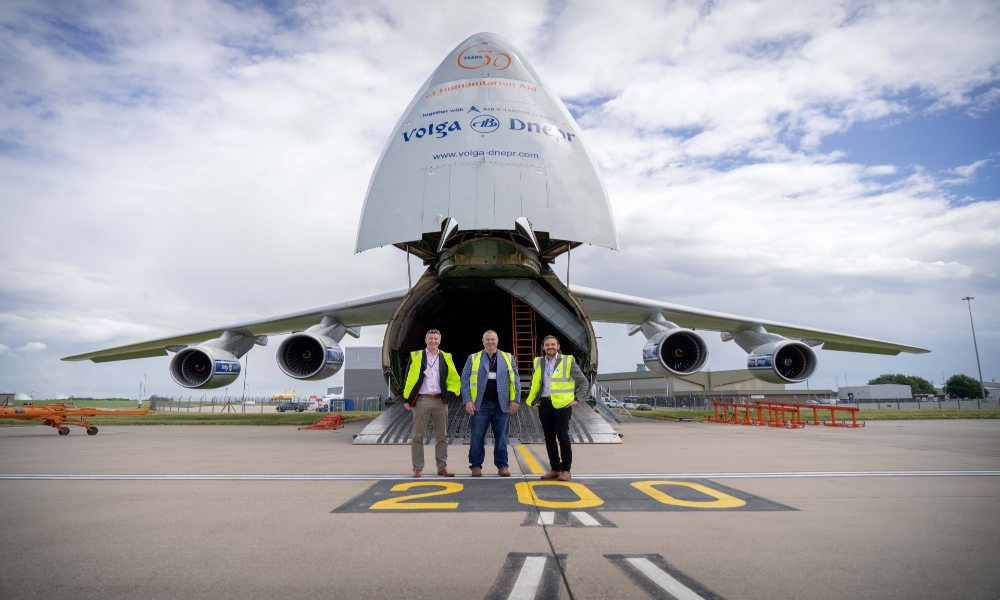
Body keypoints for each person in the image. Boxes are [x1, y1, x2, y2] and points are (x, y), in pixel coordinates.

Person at [525, 335, 589, 481]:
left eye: (553, 344)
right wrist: (534, 400)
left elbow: (583, 382)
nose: (550, 347)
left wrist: (577, 399)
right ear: (543, 348)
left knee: (562, 436)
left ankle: (566, 470)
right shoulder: (538, 362)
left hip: (562, 404)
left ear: (558, 346)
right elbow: (535, 382)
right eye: (547, 345)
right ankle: (555, 469)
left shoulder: (567, 360)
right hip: (544, 403)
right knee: (549, 437)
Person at [401, 329, 461, 478]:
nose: (433, 341)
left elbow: (453, 376)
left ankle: (442, 467)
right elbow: (408, 378)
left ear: (439, 341)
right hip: (422, 400)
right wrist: (407, 399)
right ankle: (417, 467)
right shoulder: (417, 356)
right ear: (426, 340)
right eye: (431, 338)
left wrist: (451, 393)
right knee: (417, 436)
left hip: (440, 401)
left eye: (436, 339)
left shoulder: (446, 357)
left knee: (442, 436)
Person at [461, 330, 521, 477]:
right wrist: (467, 400)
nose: (490, 342)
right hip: (480, 404)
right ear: (483, 341)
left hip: (503, 404)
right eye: (487, 339)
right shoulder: (473, 358)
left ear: (497, 341)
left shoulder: (508, 357)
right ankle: (475, 466)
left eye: (493, 339)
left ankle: (502, 466)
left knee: (501, 436)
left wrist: (516, 400)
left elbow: (516, 380)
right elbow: (465, 381)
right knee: (476, 436)